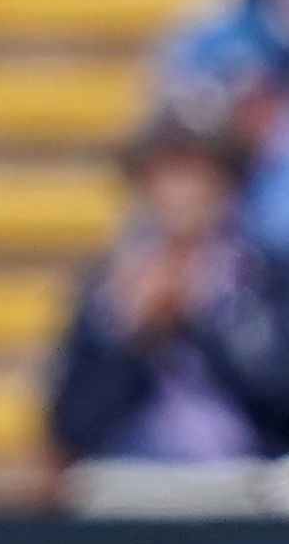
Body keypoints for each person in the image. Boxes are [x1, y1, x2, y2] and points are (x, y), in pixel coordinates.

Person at [47, 107, 289, 465]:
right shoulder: (107, 290)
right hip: (136, 484)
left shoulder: (264, 281)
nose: (180, 193)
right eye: (164, 175)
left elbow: (278, 403)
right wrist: (134, 340)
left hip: (246, 482)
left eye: (194, 174)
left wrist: (202, 321)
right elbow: (73, 423)